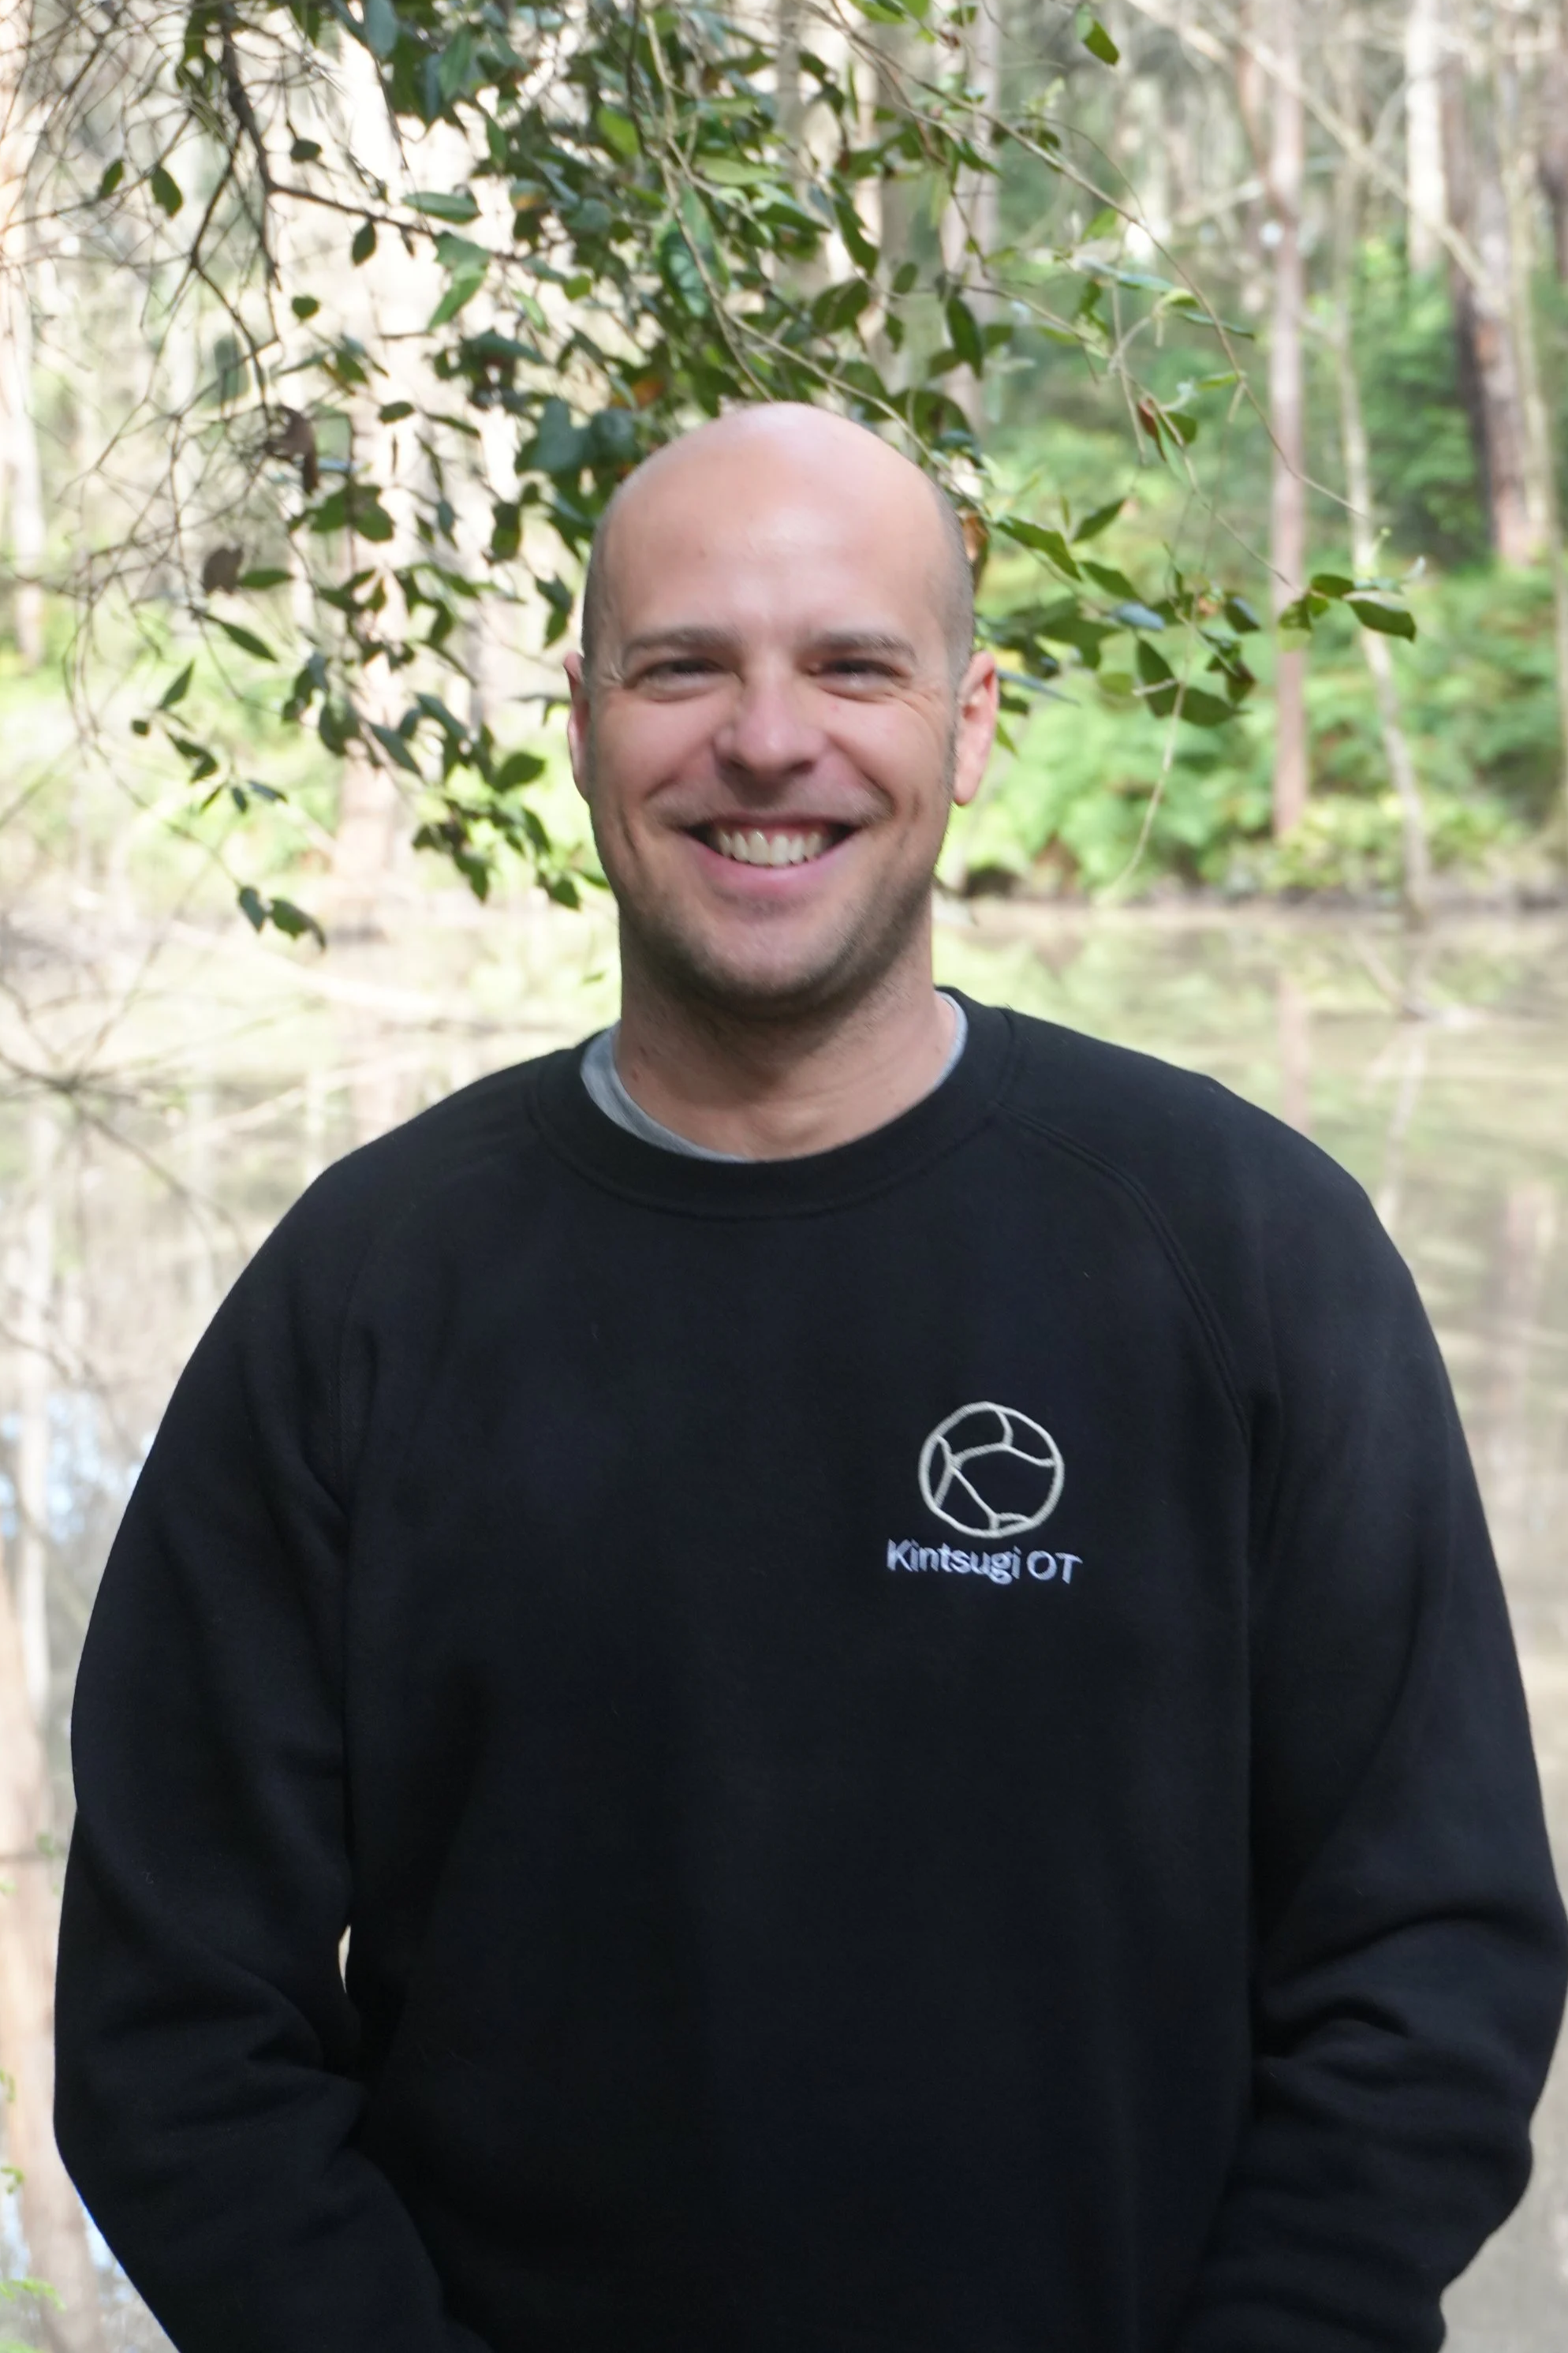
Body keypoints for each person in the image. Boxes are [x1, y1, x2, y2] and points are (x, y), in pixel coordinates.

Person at [55, 403, 1566, 2353]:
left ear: (970, 718)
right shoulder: (367, 1290)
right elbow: (181, 2022)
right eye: (685, 667)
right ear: (582, 711)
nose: (767, 741)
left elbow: (1425, 1956)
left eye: (853, 664)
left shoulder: (1242, 1250)